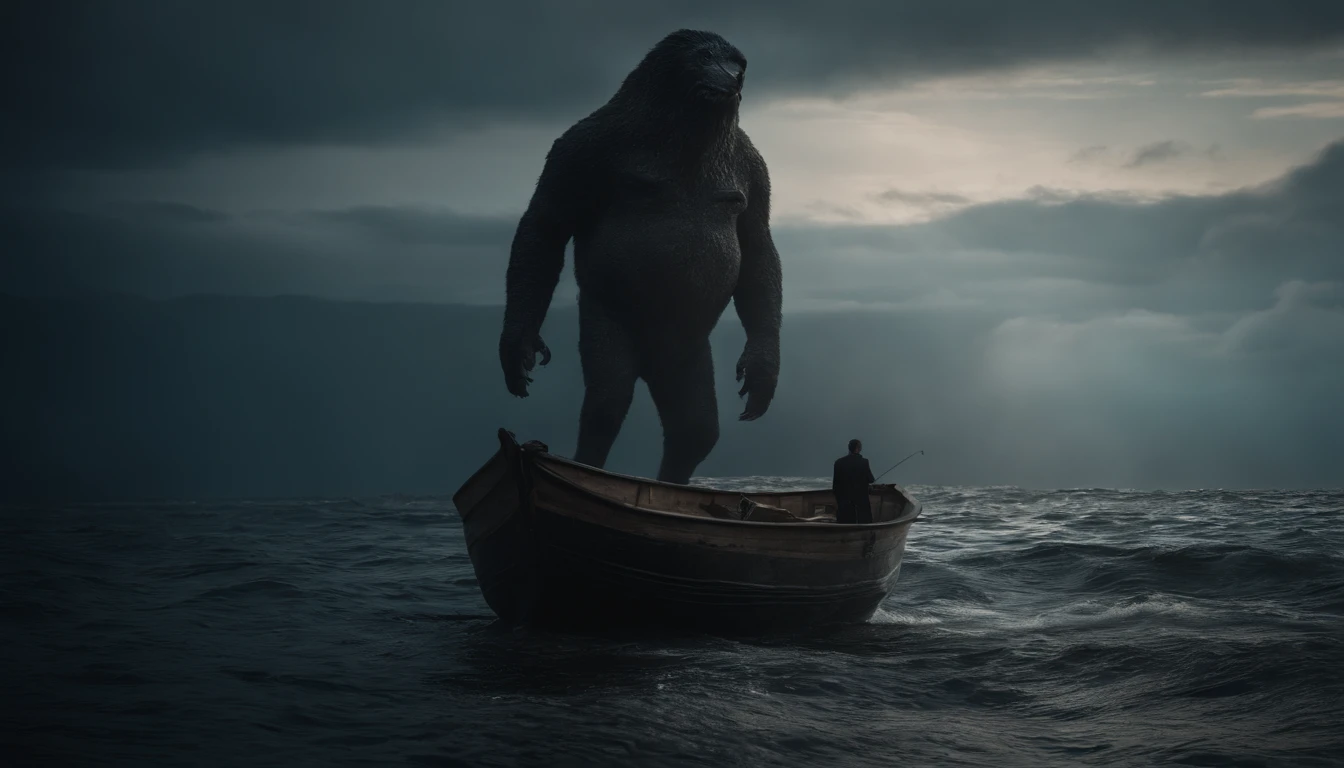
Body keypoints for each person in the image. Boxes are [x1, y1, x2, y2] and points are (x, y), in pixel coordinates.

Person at [832, 438, 875, 524]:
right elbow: (871, 479)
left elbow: (835, 485)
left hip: (844, 504)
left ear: (849, 448)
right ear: (858, 448)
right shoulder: (864, 462)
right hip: (861, 505)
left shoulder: (838, 462)